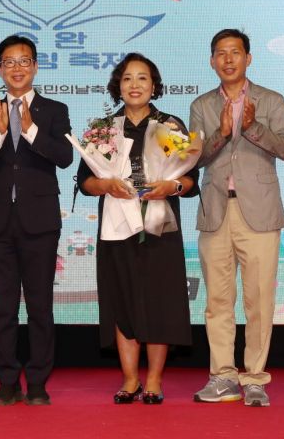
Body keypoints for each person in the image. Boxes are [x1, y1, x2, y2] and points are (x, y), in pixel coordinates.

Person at [76, 53, 198, 405]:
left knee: (160, 301)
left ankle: (155, 381)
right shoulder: (103, 129)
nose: (134, 85)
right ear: (118, 86)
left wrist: (171, 187)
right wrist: (105, 186)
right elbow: (85, 180)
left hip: (160, 226)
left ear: (154, 85)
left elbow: (191, 177)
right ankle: (130, 380)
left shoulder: (171, 126)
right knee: (122, 300)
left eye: (142, 78)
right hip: (117, 225)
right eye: (128, 78)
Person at [190, 29, 284, 407]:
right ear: (212, 61)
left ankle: (254, 379)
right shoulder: (202, 105)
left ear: (248, 58)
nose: (229, 59)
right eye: (221, 53)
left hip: (260, 213)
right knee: (217, 301)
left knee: (259, 301)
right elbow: (192, 160)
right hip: (216, 212)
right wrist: (218, 135)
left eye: (236, 52)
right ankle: (221, 376)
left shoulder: (271, 100)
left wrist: (253, 127)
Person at [0, 35, 73, 406]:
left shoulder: (54, 110)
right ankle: (7, 381)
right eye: (9, 62)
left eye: (23, 61)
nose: (16, 68)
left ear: (35, 67)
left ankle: (39, 382)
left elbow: (64, 158)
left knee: (41, 307)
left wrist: (29, 129)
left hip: (41, 221)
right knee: (3, 307)